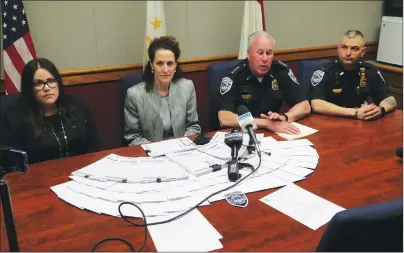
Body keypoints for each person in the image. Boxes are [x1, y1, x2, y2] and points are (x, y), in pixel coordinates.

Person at [0, 58, 100, 164]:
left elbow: (94, 146)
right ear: (29, 88)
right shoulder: (14, 117)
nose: (47, 88)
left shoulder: (76, 105)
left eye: (51, 81)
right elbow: (15, 163)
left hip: (82, 175)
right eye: (38, 83)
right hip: (38, 178)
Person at [218, 31, 311, 134]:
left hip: (275, 133)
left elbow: (305, 105)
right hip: (244, 134)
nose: (265, 59)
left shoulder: (280, 71)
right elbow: (224, 118)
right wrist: (266, 123)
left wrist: (284, 117)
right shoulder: (235, 76)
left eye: (269, 53)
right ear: (249, 53)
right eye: (260, 53)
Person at [124, 36, 201, 146]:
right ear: (151, 65)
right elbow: (132, 137)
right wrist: (159, 150)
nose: (165, 70)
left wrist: (180, 146)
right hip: (151, 156)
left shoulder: (187, 87)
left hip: (182, 151)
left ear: (175, 65)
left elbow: (193, 127)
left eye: (170, 63)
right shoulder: (134, 95)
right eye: (160, 63)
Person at [309, 30, 397, 120]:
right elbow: (316, 104)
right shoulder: (325, 71)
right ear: (338, 48)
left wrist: (380, 109)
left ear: (363, 52)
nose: (348, 53)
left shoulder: (370, 70)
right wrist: (355, 112)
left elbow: (390, 99)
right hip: (331, 121)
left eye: (354, 48)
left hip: (361, 122)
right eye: (344, 47)